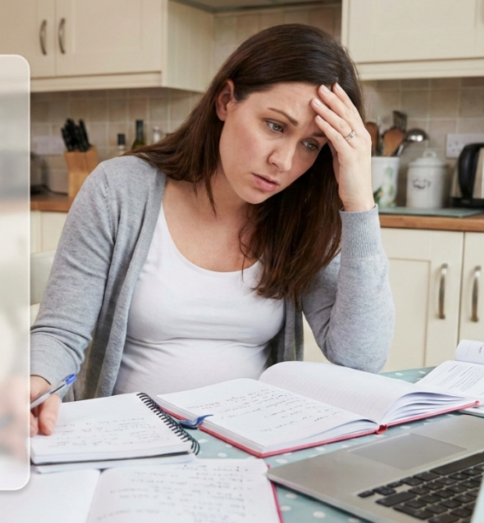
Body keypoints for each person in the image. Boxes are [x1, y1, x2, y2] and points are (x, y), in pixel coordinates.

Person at [29, 24, 394, 437]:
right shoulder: (120, 189)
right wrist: (36, 383)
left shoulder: (302, 214)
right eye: (275, 126)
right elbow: (61, 332)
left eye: (311, 144)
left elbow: (361, 357)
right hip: (126, 440)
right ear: (226, 100)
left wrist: (359, 201)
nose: (284, 161)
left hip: (253, 443)